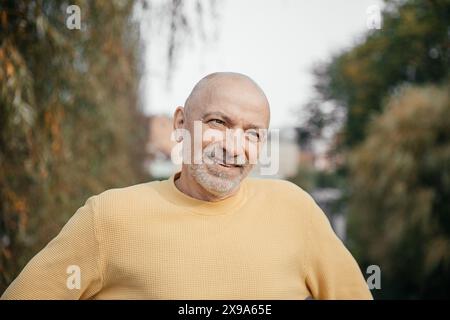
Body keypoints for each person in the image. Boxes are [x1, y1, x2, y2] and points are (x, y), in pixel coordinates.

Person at [1, 72, 372, 300]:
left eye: (252, 133)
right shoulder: (108, 218)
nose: (233, 145)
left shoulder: (296, 211)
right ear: (181, 123)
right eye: (218, 122)